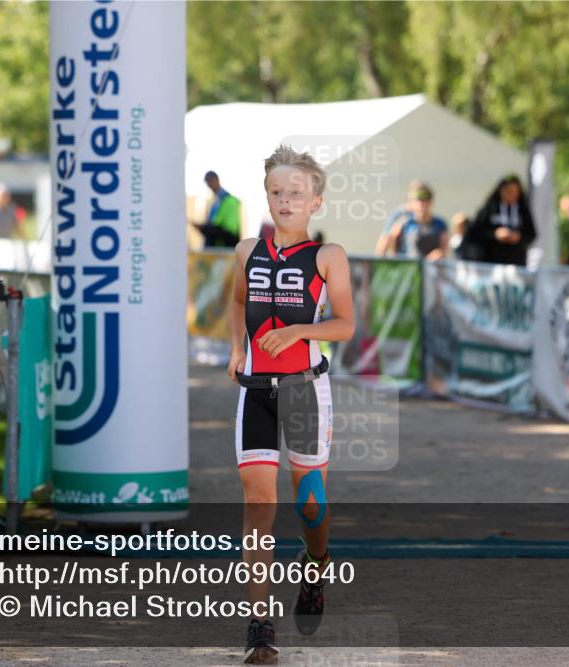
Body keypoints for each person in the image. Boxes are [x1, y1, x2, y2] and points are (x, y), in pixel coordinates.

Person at [228, 145, 354, 664]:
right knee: (259, 504)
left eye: (296, 194)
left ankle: (316, 563)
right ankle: (260, 627)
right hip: (256, 389)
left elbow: (345, 324)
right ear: (267, 197)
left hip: (305, 387)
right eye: (277, 192)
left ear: (315, 203)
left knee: (311, 504)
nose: (285, 201)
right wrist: (238, 349)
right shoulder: (245, 250)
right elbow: (238, 302)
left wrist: (302, 329)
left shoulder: (329, 257)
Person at [466, 174, 536, 266]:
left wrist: (518, 237)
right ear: (501, 190)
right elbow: (474, 232)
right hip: (490, 263)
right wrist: (494, 234)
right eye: (508, 191)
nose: (511, 195)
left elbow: (531, 234)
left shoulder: (523, 211)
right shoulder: (490, 209)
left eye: (514, 192)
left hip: (516, 263)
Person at [374, 181, 448, 260]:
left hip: (428, 267)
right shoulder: (400, 219)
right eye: (418, 199)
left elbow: (443, 248)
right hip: (407, 266)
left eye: (425, 199)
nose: (421, 203)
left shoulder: (439, 223)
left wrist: (439, 253)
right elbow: (383, 247)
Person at [196, 171, 242, 247]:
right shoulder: (216, 201)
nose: (209, 186)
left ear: (215, 180)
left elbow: (230, 231)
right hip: (217, 247)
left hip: (223, 248)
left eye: (209, 182)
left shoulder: (230, 201)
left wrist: (205, 228)